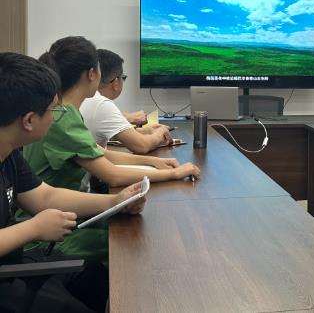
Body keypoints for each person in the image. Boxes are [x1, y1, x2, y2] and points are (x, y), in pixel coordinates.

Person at [22, 36, 200, 260]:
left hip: (65, 213)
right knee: (140, 243)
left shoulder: (65, 111)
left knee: (134, 228)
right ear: (92, 74)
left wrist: (153, 162)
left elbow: (98, 153)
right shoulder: (62, 117)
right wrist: (173, 174)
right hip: (50, 229)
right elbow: (113, 176)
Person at [0, 52, 146, 312]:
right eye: (53, 110)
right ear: (29, 120)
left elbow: (45, 197)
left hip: (17, 262)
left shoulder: (8, 153)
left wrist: (115, 201)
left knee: (95, 278)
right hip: (9, 277)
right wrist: (34, 228)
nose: (57, 116)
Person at [81, 49, 172, 153]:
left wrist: (145, 131)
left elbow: (106, 133)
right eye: (123, 77)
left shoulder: (83, 98)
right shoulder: (101, 104)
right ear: (115, 83)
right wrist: (160, 134)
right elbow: (142, 146)